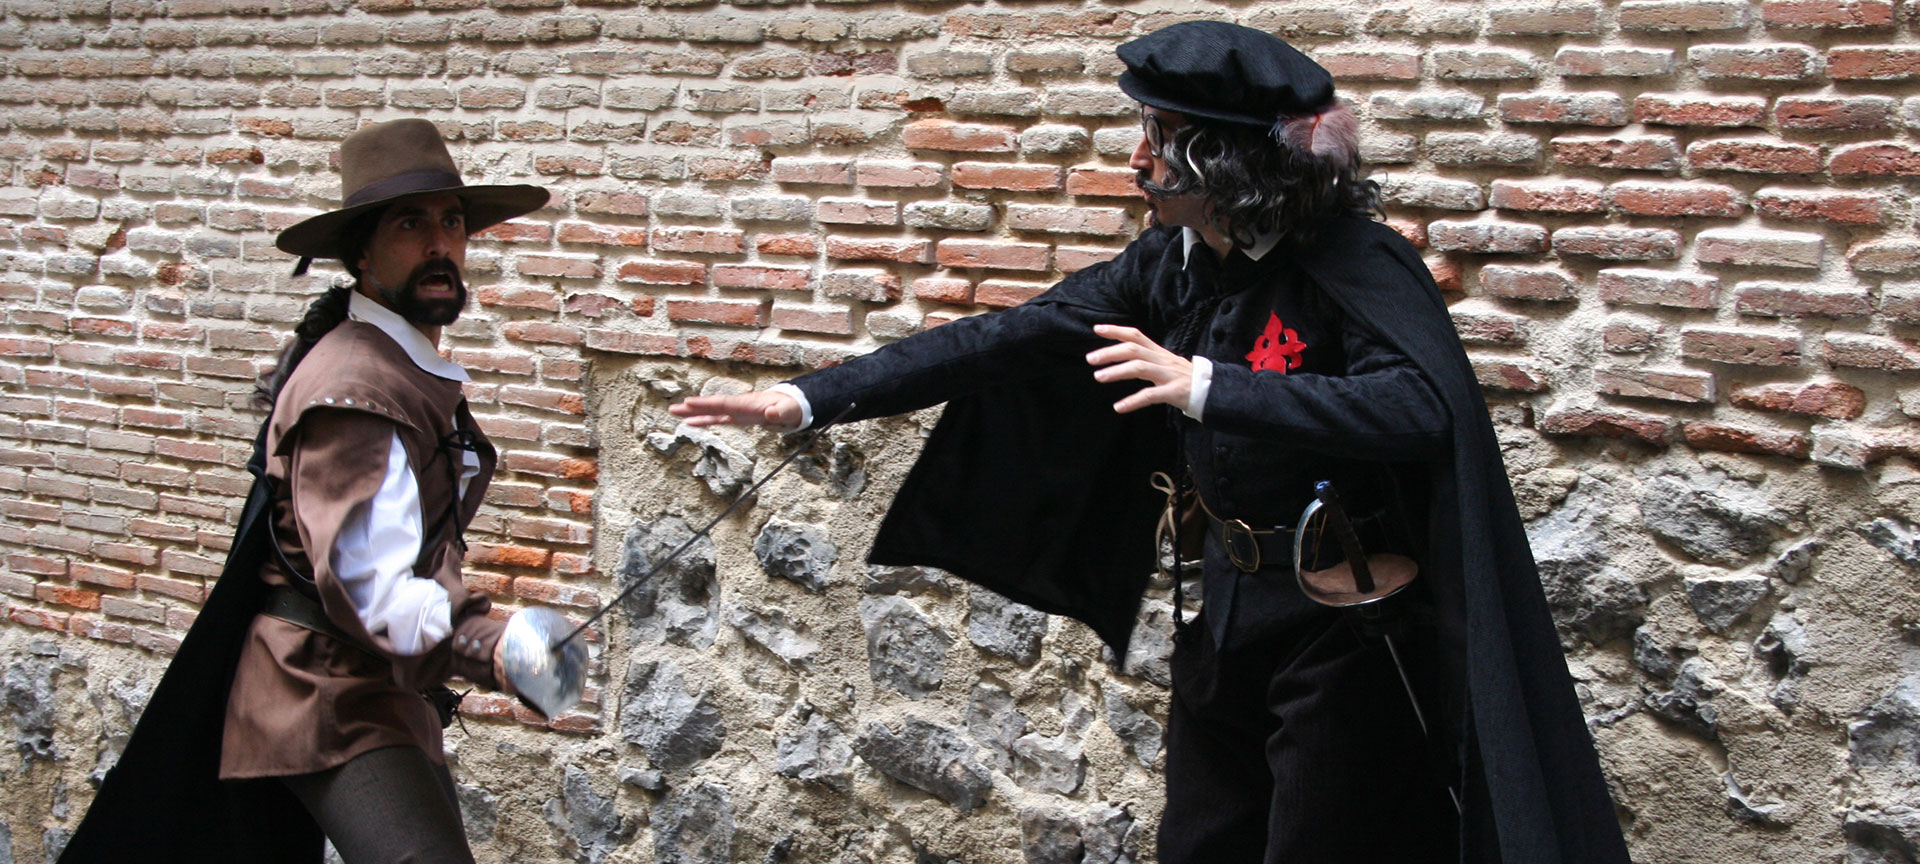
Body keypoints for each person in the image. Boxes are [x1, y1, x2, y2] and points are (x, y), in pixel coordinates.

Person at [671, 21, 1631, 864]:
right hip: (1221, 612)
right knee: (1202, 843)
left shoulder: (1353, 264)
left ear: (1225, 161)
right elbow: (1004, 335)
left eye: (1160, 140)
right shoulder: (1168, 266)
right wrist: (805, 400)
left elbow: (1422, 408)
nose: (1139, 162)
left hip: (1344, 624)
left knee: (1324, 844)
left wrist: (1207, 387)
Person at [63, 118, 582, 864]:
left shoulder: (394, 361)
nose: (441, 245)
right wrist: (493, 645)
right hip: (323, 691)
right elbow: (373, 590)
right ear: (361, 252)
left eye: (452, 222)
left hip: (377, 681)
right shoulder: (354, 388)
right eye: (411, 224)